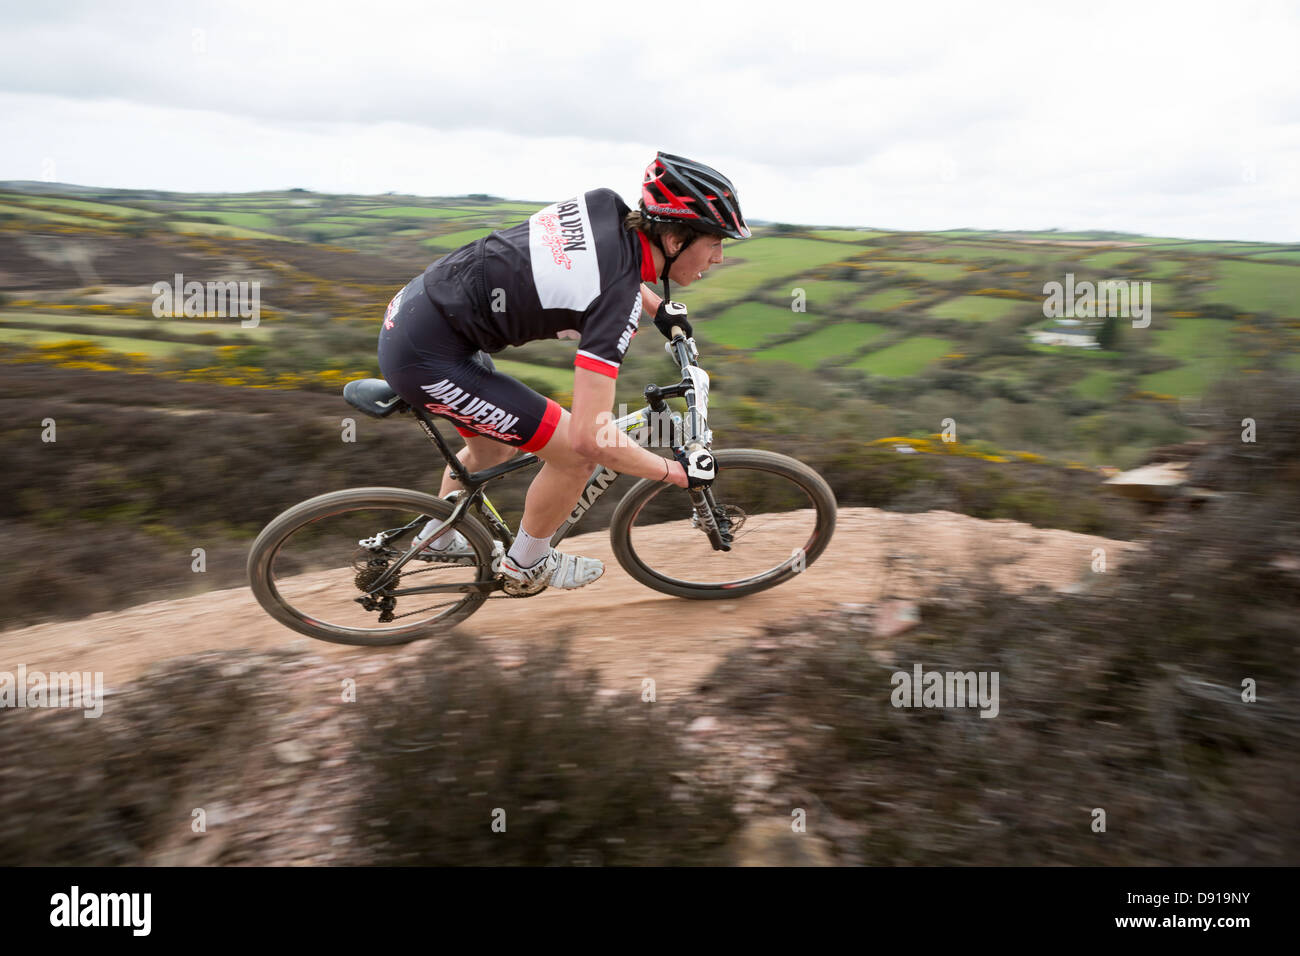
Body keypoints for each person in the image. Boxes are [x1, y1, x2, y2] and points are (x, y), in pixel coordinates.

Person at [377, 151, 750, 592]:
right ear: (674, 241)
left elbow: (600, 266)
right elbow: (590, 437)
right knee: (577, 456)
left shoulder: (604, 205)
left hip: (419, 317)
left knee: (494, 450)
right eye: (715, 242)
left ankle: (437, 538)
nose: (720, 258)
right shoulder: (615, 306)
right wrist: (676, 473)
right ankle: (526, 565)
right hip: (432, 356)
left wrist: (654, 306)